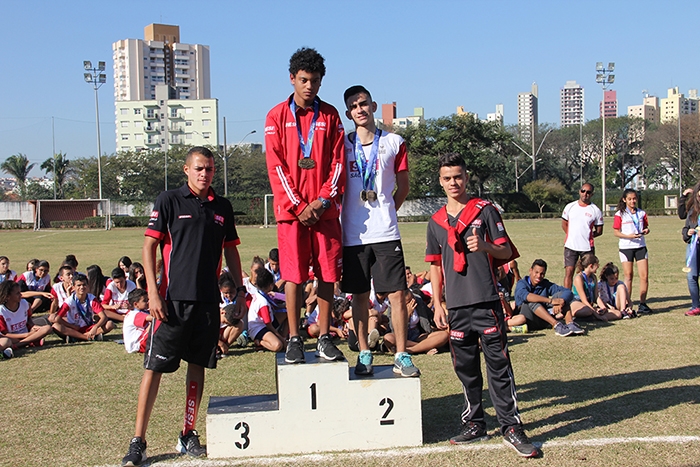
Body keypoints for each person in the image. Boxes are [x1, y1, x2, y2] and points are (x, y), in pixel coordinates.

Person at [121, 146, 246, 466]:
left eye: (210, 169)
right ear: (186, 170)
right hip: (171, 302)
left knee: (197, 367)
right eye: (199, 168)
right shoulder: (169, 200)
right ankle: (138, 440)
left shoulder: (222, 206)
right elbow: (149, 247)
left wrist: (241, 291)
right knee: (154, 369)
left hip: (207, 301)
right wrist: (152, 292)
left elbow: (230, 250)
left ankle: (187, 432)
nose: (205, 174)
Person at [426, 153, 537, 458]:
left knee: (499, 366)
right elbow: (435, 266)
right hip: (457, 306)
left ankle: (511, 426)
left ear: (467, 177)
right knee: (466, 369)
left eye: (458, 177)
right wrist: (437, 303)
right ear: (440, 181)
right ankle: (474, 422)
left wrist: (485, 246)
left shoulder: (485, 210)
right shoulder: (435, 221)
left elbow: (505, 252)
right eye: (447, 178)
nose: (453, 183)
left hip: (487, 300)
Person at [265, 47, 345, 364]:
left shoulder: (331, 115)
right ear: (292, 79)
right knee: (295, 277)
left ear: (321, 82)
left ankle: (324, 336)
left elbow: (337, 163)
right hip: (292, 214)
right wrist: (299, 206)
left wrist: (322, 201)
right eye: (303, 80)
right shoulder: (275, 116)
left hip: (324, 212)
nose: (309, 86)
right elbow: (276, 165)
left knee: (326, 275)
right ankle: (295, 338)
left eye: (314, 80)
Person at [339, 85, 418, 377]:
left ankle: (401, 354)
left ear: (372, 105)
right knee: (359, 296)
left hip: (386, 233)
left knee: (397, 294)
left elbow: (404, 186)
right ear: (349, 113)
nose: (359, 109)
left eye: (363, 103)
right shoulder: (343, 145)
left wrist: (387, 213)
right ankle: (364, 353)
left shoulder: (395, 142)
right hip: (353, 235)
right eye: (353, 106)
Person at [514, 259, 584, 337]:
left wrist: (561, 302)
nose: (539, 276)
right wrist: (551, 301)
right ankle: (557, 325)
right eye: (536, 272)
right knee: (531, 301)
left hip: (543, 319)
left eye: (542, 274)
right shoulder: (522, 283)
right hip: (528, 319)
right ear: (530, 270)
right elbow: (526, 296)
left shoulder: (545, 283)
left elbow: (568, 292)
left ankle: (570, 324)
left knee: (561, 296)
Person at [613, 189, 651, 314]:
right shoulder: (620, 214)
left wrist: (645, 231)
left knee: (644, 276)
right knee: (628, 276)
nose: (632, 201)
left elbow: (645, 227)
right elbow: (616, 232)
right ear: (624, 200)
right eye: (629, 199)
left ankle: (642, 303)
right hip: (626, 247)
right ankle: (626, 304)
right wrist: (629, 236)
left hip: (640, 246)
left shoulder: (641, 213)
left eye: (634, 198)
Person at [561, 182, 604, 289]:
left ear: (592, 194)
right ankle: (567, 298)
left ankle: (588, 298)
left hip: (587, 247)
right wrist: (572, 235)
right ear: (579, 192)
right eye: (583, 191)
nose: (585, 194)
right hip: (571, 246)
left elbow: (599, 231)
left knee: (588, 274)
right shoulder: (570, 206)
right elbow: (564, 224)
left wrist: (586, 235)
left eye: (588, 192)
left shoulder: (595, 210)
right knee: (569, 272)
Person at [52, 273, 114, 342]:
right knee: (56, 326)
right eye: (79, 285)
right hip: (74, 328)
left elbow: (104, 317)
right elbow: (57, 319)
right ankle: (87, 337)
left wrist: (95, 327)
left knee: (110, 324)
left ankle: (77, 337)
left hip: (89, 327)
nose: (82, 287)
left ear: (88, 286)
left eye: (84, 285)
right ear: (73, 287)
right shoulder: (69, 301)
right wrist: (72, 326)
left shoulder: (91, 299)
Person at [0, 280, 53, 348]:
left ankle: (19, 345)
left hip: (28, 333)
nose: (21, 295)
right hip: (13, 337)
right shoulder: (1, 311)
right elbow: (5, 334)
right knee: (6, 341)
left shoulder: (24, 303)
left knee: (48, 328)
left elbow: (29, 319)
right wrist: (26, 335)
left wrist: (34, 326)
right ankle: (30, 341)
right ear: (8, 296)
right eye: (17, 293)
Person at [247, 268, 286, 353]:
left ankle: (284, 335)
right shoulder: (262, 303)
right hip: (258, 328)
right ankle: (259, 342)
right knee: (278, 345)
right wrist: (281, 339)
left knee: (287, 312)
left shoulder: (260, 293)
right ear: (271, 285)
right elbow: (269, 326)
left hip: (263, 324)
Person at [682, 186, 700, 316]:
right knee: (691, 276)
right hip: (693, 246)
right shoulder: (693, 211)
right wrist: (687, 233)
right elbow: (686, 228)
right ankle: (696, 305)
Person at [123, 288, 152, 354]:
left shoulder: (140, 311)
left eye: (148, 300)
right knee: (156, 322)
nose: (148, 302)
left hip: (140, 343)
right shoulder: (134, 314)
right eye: (145, 301)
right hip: (137, 346)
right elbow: (153, 318)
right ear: (136, 304)